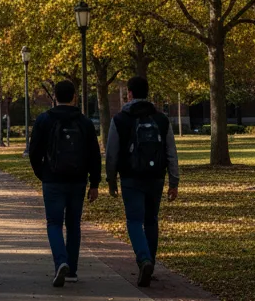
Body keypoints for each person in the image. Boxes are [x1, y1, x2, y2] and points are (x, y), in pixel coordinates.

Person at [106, 75, 179, 288]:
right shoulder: (161, 119)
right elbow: (171, 152)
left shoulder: (120, 119)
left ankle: (143, 259)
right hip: (156, 177)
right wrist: (174, 181)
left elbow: (112, 153)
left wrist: (111, 180)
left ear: (129, 93)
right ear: (147, 92)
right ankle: (150, 264)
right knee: (151, 220)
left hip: (131, 177)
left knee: (134, 221)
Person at [28, 80, 102, 287]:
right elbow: (94, 155)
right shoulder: (84, 122)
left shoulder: (44, 120)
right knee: (73, 225)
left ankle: (60, 261)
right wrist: (94, 182)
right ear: (74, 97)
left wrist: (42, 173)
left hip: (52, 179)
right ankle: (72, 270)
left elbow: (34, 151)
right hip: (77, 180)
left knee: (54, 223)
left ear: (54, 96)